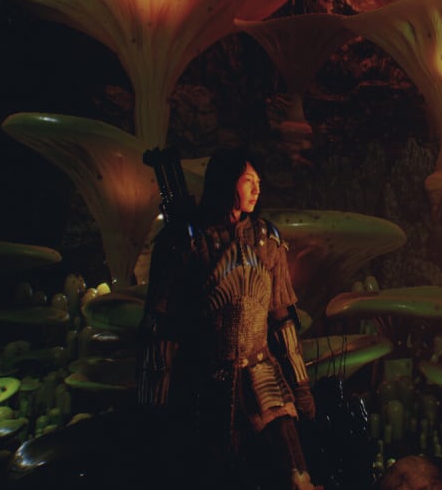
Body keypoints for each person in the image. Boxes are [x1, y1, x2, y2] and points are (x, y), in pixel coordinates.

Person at [137, 147, 321, 490]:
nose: (256, 189)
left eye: (259, 181)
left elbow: (281, 319)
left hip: (262, 374)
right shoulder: (186, 241)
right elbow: (162, 327)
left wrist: (300, 385)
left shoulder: (267, 240)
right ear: (226, 182)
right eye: (248, 180)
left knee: (292, 473)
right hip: (203, 378)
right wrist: (155, 398)